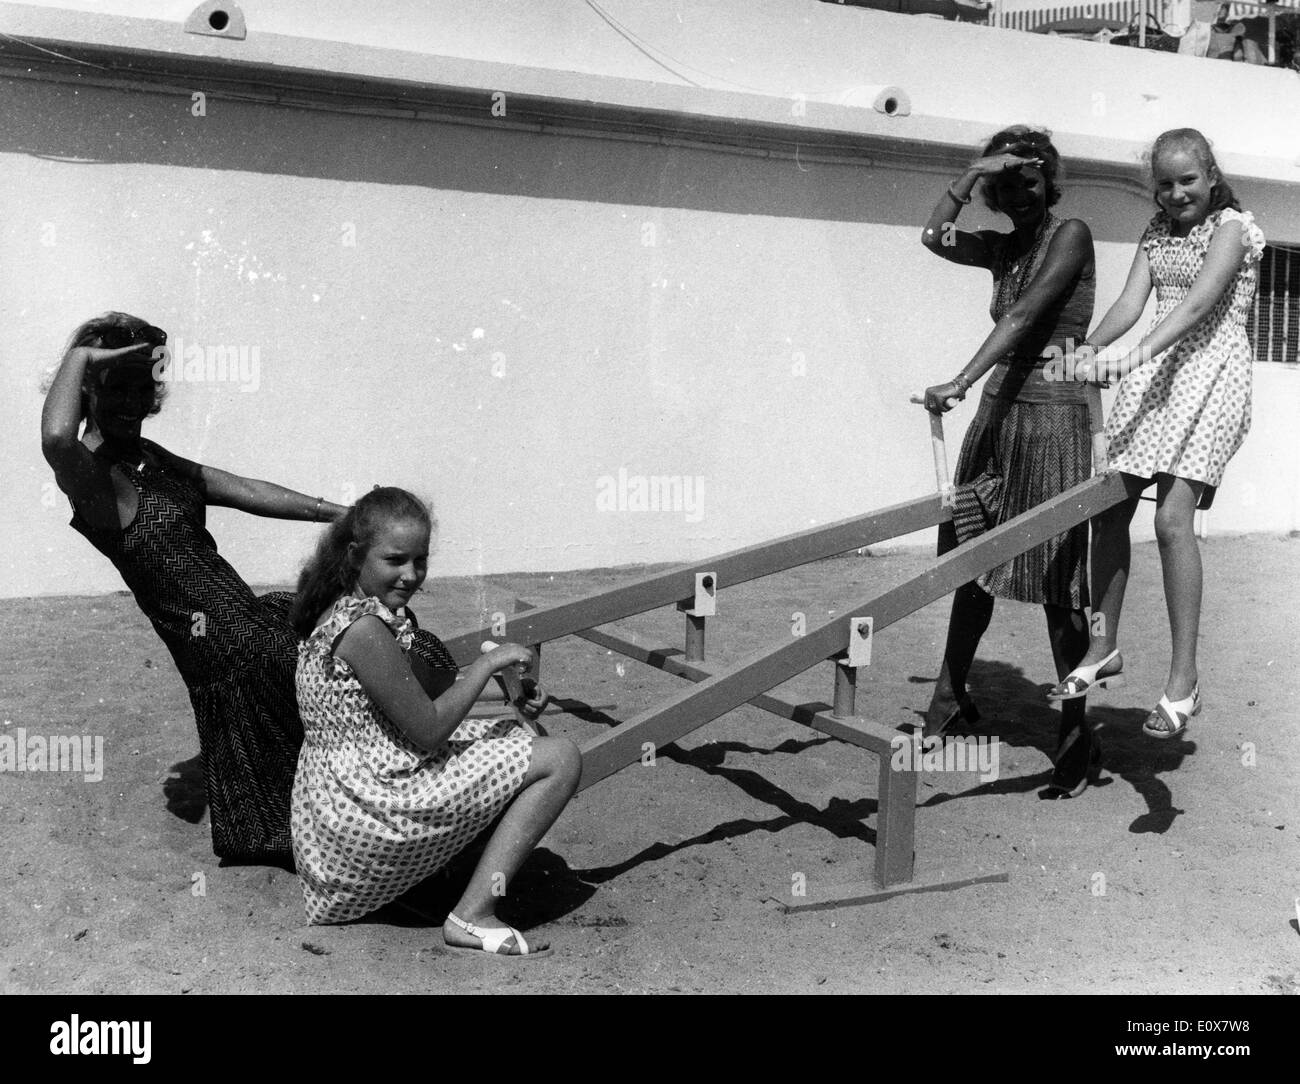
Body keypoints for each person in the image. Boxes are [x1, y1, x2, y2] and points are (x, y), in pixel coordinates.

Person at [38, 313, 457, 862]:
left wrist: (346, 515)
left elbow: (244, 490)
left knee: (361, 626)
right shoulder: (91, 479)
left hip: (247, 619)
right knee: (359, 656)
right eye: (118, 387)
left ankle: (422, 749)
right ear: (89, 386)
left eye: (144, 389)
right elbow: (54, 435)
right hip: (226, 649)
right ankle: (415, 790)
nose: (134, 403)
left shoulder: (146, 458)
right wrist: (85, 357)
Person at [289, 487, 581, 957]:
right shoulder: (362, 629)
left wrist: (510, 693)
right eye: (395, 560)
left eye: (420, 560)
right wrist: (487, 667)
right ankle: (471, 915)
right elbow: (428, 728)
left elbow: (428, 688)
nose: (410, 575)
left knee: (514, 736)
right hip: (364, 810)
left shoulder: (357, 609)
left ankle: (437, 884)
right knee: (562, 758)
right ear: (355, 555)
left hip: (341, 809)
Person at [1051, 129, 1263, 741]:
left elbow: (1198, 305)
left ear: (1211, 173)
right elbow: (1129, 302)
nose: (1176, 194)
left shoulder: (1234, 228)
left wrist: (1133, 358)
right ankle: (1104, 645)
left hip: (1213, 377)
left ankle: (1184, 681)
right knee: (1108, 509)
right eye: (1165, 184)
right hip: (1159, 377)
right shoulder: (1155, 230)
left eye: (1187, 180)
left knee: (1172, 521)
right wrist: (1088, 351)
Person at [919, 125, 1101, 797]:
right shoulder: (1002, 247)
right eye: (1006, 184)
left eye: (1029, 180)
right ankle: (948, 696)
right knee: (970, 565)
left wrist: (960, 380)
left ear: (1050, 181)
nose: (1018, 193)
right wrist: (970, 173)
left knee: (1059, 590)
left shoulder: (1071, 234)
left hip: (1053, 423)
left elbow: (1024, 316)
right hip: (997, 419)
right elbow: (932, 237)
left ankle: (1077, 734)